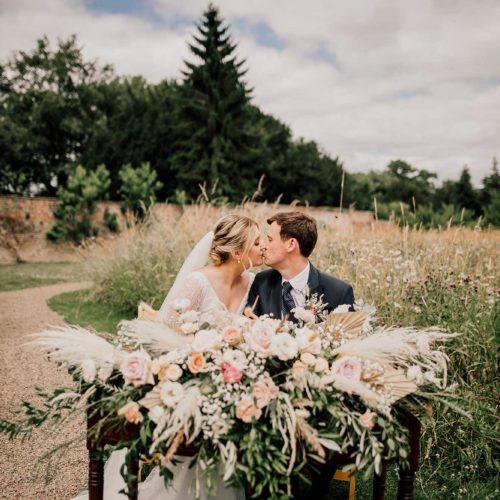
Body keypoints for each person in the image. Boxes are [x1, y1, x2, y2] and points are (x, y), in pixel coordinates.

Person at [74, 214, 262, 500]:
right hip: (189, 377)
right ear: (237, 252)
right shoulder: (197, 282)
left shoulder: (254, 283)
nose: (263, 248)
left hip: (230, 381)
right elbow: (166, 338)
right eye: (257, 243)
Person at [246, 211, 354, 497]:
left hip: (315, 394)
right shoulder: (261, 283)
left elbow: (345, 350)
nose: (263, 246)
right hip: (267, 390)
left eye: (269, 239)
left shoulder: (337, 292)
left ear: (291, 244)